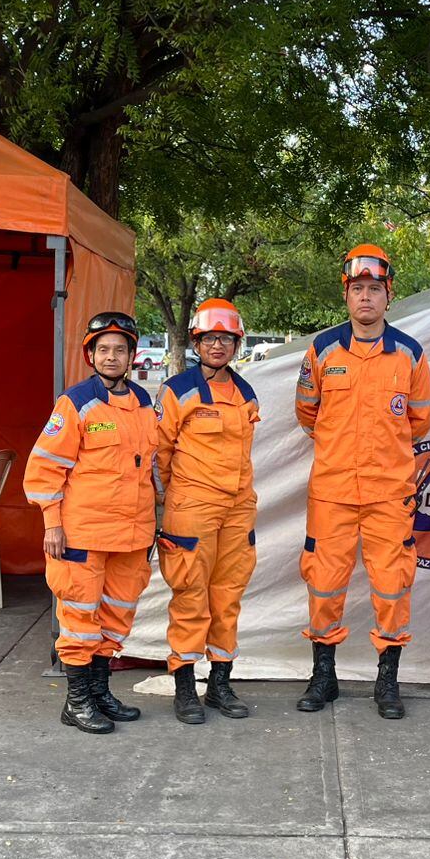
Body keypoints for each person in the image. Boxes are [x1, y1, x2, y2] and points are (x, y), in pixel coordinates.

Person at [294, 244, 430, 719]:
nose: (366, 298)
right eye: (358, 289)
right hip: (331, 492)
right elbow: (307, 414)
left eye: (375, 289)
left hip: (390, 494)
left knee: (393, 585)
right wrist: (339, 451)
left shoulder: (410, 354)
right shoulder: (322, 350)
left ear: (388, 296)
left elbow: (418, 423)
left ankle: (387, 681)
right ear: (346, 296)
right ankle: (323, 677)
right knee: (324, 584)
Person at [23, 311, 159, 734]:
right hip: (83, 533)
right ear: (91, 355)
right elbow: (44, 467)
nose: (112, 356)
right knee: (80, 618)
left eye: (120, 349)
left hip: (132, 535)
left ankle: (99, 692)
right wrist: (51, 524)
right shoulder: (75, 403)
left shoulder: (143, 403)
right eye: (104, 350)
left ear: (133, 355)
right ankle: (76, 701)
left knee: (117, 617)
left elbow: (151, 468)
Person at [155, 298, 260, 725]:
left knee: (227, 598)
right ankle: (184, 687)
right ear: (197, 341)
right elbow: (158, 456)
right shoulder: (178, 391)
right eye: (210, 338)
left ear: (236, 343)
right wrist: (164, 505)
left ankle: (220, 682)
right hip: (192, 508)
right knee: (190, 597)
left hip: (237, 510)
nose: (218, 345)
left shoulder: (244, 393)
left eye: (226, 338)